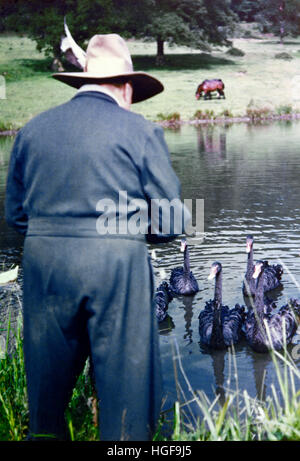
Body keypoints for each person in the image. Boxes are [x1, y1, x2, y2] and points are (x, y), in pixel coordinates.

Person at [5, 31, 190, 441]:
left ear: (84, 81)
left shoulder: (31, 131)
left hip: (45, 264)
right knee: (126, 404)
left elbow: (17, 217)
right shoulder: (140, 132)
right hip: (115, 269)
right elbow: (173, 220)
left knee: (46, 402)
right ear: (126, 88)